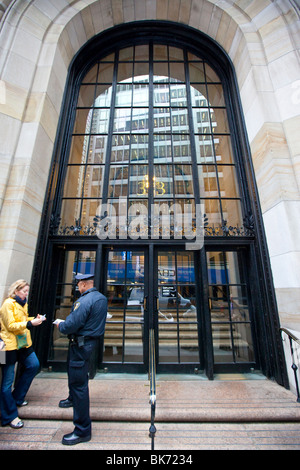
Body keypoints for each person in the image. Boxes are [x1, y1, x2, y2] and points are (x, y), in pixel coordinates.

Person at [54, 273, 107, 446]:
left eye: (78, 285)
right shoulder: (101, 298)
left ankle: (82, 430)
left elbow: (71, 325)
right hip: (89, 344)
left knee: (79, 386)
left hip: (80, 345)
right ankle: (71, 399)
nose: (77, 287)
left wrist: (60, 325)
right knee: (77, 378)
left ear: (84, 284)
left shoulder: (83, 301)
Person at [0, 279, 46, 428]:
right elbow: (11, 325)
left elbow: (23, 319)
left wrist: (35, 319)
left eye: (27, 291)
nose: (26, 293)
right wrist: (29, 324)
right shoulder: (8, 304)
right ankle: (9, 416)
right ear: (16, 290)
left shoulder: (22, 303)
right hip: (7, 347)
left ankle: (17, 397)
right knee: (7, 382)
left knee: (34, 365)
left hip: (23, 344)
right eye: (24, 291)